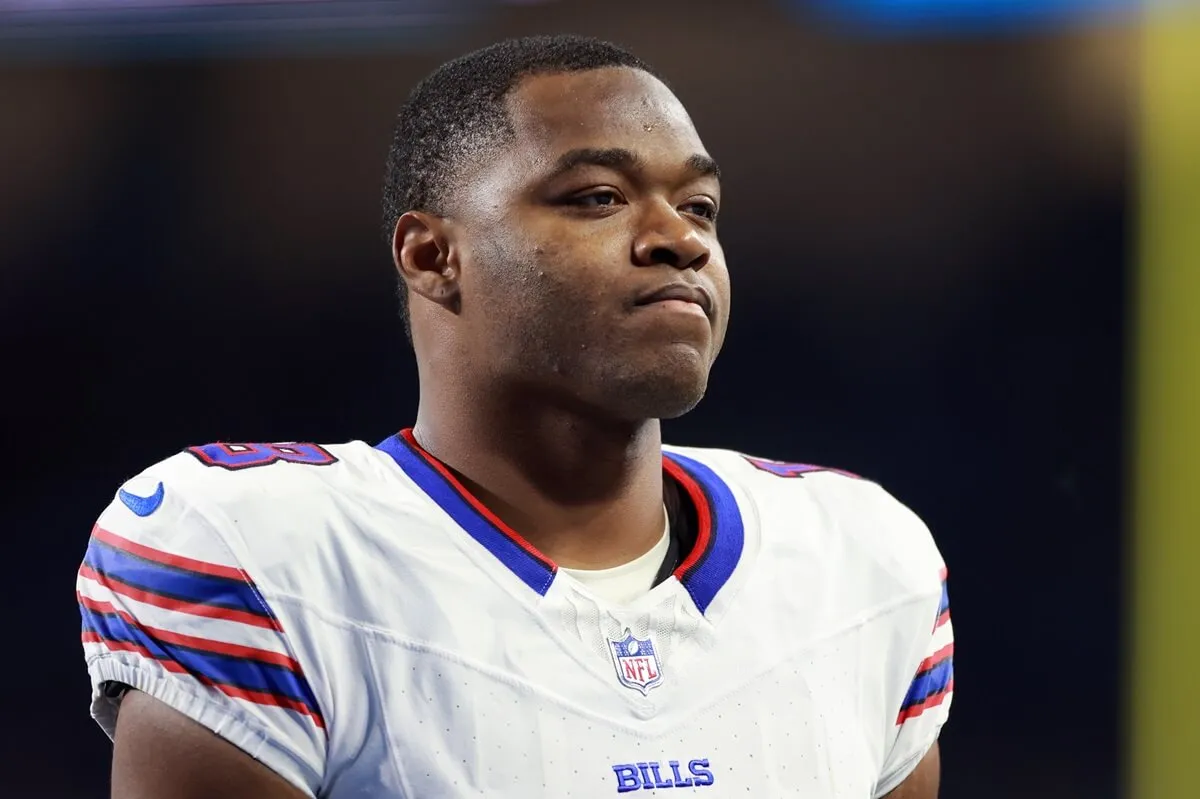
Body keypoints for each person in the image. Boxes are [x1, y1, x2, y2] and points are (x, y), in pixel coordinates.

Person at [76, 34, 953, 798]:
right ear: (432, 255)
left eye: (700, 208)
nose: (680, 239)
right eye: (598, 198)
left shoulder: (861, 562)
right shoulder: (259, 551)